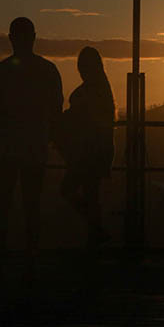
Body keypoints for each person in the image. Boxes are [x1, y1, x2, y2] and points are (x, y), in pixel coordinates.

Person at [0, 17, 62, 255]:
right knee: (32, 206)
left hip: (5, 147)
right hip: (35, 147)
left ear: (10, 38)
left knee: (2, 206)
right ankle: (31, 259)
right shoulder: (48, 70)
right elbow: (57, 109)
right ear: (34, 37)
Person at [58, 46, 115, 247]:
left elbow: (80, 116)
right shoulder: (102, 89)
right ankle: (95, 234)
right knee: (91, 195)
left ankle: (96, 231)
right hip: (97, 151)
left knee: (69, 190)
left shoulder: (91, 91)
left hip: (87, 152)